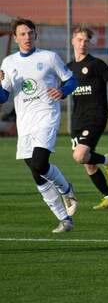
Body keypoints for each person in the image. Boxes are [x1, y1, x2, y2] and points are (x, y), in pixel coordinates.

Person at [0, 17, 79, 233]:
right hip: (24, 124)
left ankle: (65, 188)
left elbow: (72, 81)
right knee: (37, 174)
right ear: (15, 38)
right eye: (22, 34)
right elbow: (3, 96)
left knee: (40, 164)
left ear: (36, 35)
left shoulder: (49, 57)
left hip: (46, 117)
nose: (27, 37)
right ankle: (65, 220)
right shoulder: (9, 62)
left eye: (30, 33)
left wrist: (62, 91)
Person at [68, 27, 108, 209]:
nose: (82, 44)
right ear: (73, 42)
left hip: (96, 117)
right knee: (88, 163)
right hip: (77, 120)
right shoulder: (68, 68)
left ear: (89, 44)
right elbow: (58, 90)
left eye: (86, 41)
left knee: (80, 155)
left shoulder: (95, 64)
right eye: (79, 40)